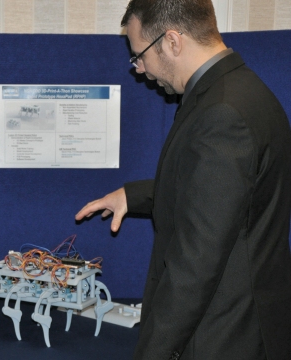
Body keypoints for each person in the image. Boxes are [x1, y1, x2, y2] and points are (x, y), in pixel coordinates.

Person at [75, 0, 291, 359]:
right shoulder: (241, 91)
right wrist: (135, 196)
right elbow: (223, 197)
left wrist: (151, 353)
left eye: (140, 55)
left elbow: (195, 266)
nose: (140, 70)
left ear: (173, 41)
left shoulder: (222, 114)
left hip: (225, 336)